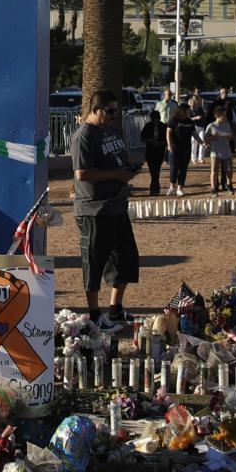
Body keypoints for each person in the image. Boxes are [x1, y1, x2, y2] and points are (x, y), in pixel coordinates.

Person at [71, 94, 138, 328]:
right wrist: (117, 175)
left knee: (125, 260)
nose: (113, 116)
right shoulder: (84, 135)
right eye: (109, 111)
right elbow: (82, 173)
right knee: (94, 263)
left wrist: (128, 170)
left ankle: (115, 310)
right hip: (94, 209)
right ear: (96, 109)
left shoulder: (112, 131)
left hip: (117, 207)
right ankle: (94, 315)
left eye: (116, 111)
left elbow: (119, 160)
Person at [164, 98, 195, 197]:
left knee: (183, 168)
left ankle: (180, 188)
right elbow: (168, 133)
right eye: (188, 110)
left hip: (186, 148)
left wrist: (202, 142)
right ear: (183, 110)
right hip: (174, 148)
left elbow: (194, 134)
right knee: (174, 167)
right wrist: (169, 145)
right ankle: (172, 187)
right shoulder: (174, 120)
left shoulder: (190, 121)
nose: (190, 111)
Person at [203, 102, 235, 196]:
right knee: (214, 171)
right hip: (215, 152)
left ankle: (229, 184)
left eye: (225, 115)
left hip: (227, 151)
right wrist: (213, 137)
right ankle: (213, 189)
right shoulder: (211, 126)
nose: (225, 116)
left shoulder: (227, 125)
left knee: (229, 170)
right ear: (217, 115)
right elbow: (205, 139)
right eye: (223, 115)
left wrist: (230, 137)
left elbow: (231, 136)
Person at [138, 104, 165, 198]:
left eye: (158, 119)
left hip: (160, 151)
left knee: (156, 170)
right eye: (154, 119)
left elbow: (168, 139)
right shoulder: (148, 126)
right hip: (150, 151)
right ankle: (155, 188)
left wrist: (161, 143)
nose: (156, 121)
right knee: (153, 171)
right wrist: (150, 141)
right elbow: (142, 137)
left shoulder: (163, 126)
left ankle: (154, 189)